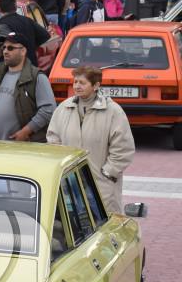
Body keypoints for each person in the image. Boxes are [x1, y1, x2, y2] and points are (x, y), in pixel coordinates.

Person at [47, 66, 134, 214]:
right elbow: (53, 138)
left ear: (96, 86)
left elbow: (123, 148)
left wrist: (108, 173)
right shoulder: (64, 108)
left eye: (82, 83)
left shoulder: (113, 111)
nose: (77, 86)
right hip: (70, 182)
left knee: (104, 224)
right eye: (75, 82)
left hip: (101, 183)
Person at [0, 0, 50, 66]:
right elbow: (45, 35)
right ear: (15, 7)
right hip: (31, 65)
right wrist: (31, 45)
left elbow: (7, 45)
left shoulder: (3, 26)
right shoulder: (27, 20)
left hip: (13, 67)